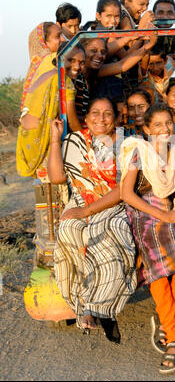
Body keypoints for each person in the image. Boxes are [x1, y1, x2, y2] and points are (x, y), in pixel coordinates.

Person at [120, 103, 175, 373]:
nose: (165, 129)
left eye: (169, 123)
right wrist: (163, 215)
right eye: (157, 125)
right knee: (157, 270)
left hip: (169, 207)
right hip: (144, 213)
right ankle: (173, 339)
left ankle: (165, 314)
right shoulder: (138, 152)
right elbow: (127, 194)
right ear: (146, 129)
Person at [47, 96, 137, 340]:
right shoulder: (74, 141)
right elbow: (56, 178)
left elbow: (122, 189)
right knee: (68, 230)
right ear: (86, 119)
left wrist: (89, 212)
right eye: (95, 113)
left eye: (107, 113)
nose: (101, 118)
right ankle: (81, 306)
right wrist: (56, 139)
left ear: (116, 119)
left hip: (112, 203)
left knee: (108, 231)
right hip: (79, 200)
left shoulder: (129, 143)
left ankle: (98, 308)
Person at [16, 30, 81, 182]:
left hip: (27, 140)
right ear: (60, 58)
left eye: (81, 62)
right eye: (71, 60)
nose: (77, 67)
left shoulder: (44, 69)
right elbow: (71, 120)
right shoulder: (65, 82)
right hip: (43, 143)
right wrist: (87, 140)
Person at [81, 34, 157, 101]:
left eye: (103, 52)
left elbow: (121, 65)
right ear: (82, 51)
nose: (100, 55)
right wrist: (129, 38)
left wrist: (150, 44)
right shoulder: (74, 71)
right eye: (93, 51)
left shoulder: (94, 71)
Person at [20, 22, 65, 111]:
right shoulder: (51, 61)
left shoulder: (36, 64)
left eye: (61, 35)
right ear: (43, 42)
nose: (63, 39)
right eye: (57, 36)